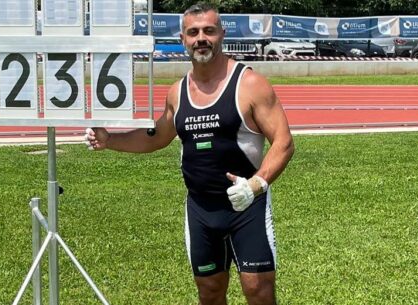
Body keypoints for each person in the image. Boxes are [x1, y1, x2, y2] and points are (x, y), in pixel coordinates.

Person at [85, 3, 294, 305]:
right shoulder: (177, 91)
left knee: (257, 290)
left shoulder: (250, 84)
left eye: (209, 30)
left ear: (222, 34)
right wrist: (110, 140)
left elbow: (284, 142)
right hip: (201, 209)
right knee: (209, 292)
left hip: (247, 206)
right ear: (182, 38)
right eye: (193, 32)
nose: (201, 38)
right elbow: (155, 136)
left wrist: (256, 185)